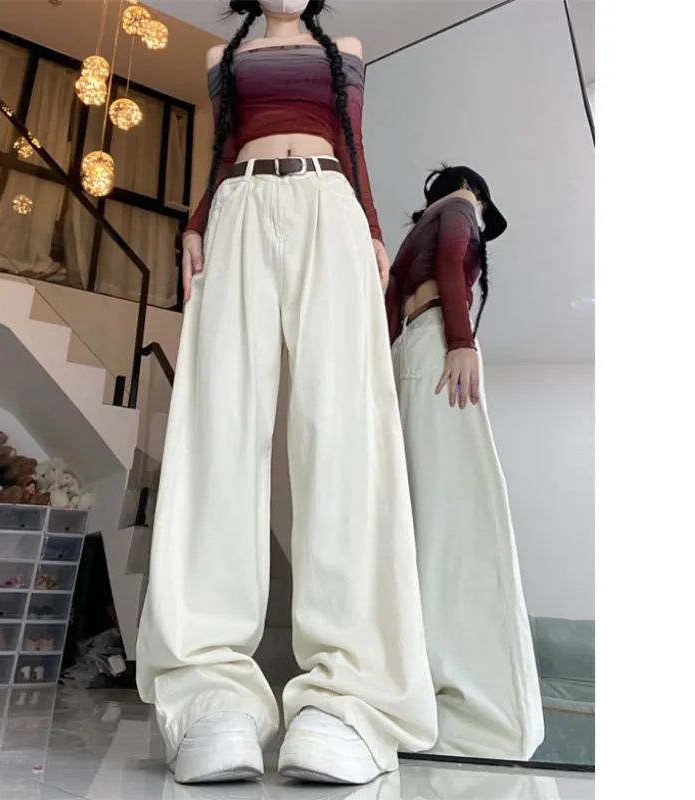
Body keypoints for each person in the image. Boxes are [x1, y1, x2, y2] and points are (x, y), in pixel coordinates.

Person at [136, 0, 437, 786]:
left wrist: (374, 233)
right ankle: (208, 695)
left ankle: (349, 699)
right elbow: (220, 151)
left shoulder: (346, 49)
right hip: (237, 209)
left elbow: (354, 145)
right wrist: (195, 223)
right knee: (217, 429)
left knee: (343, 434)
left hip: (330, 207)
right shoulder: (222, 59)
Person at [386, 165, 545, 760]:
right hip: (435, 349)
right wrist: (461, 341)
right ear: (474, 190)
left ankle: (415, 686)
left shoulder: (413, 236)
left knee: (421, 520)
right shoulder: (459, 208)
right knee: (461, 518)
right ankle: (475, 708)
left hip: (407, 355)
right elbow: (454, 264)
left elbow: (389, 302)